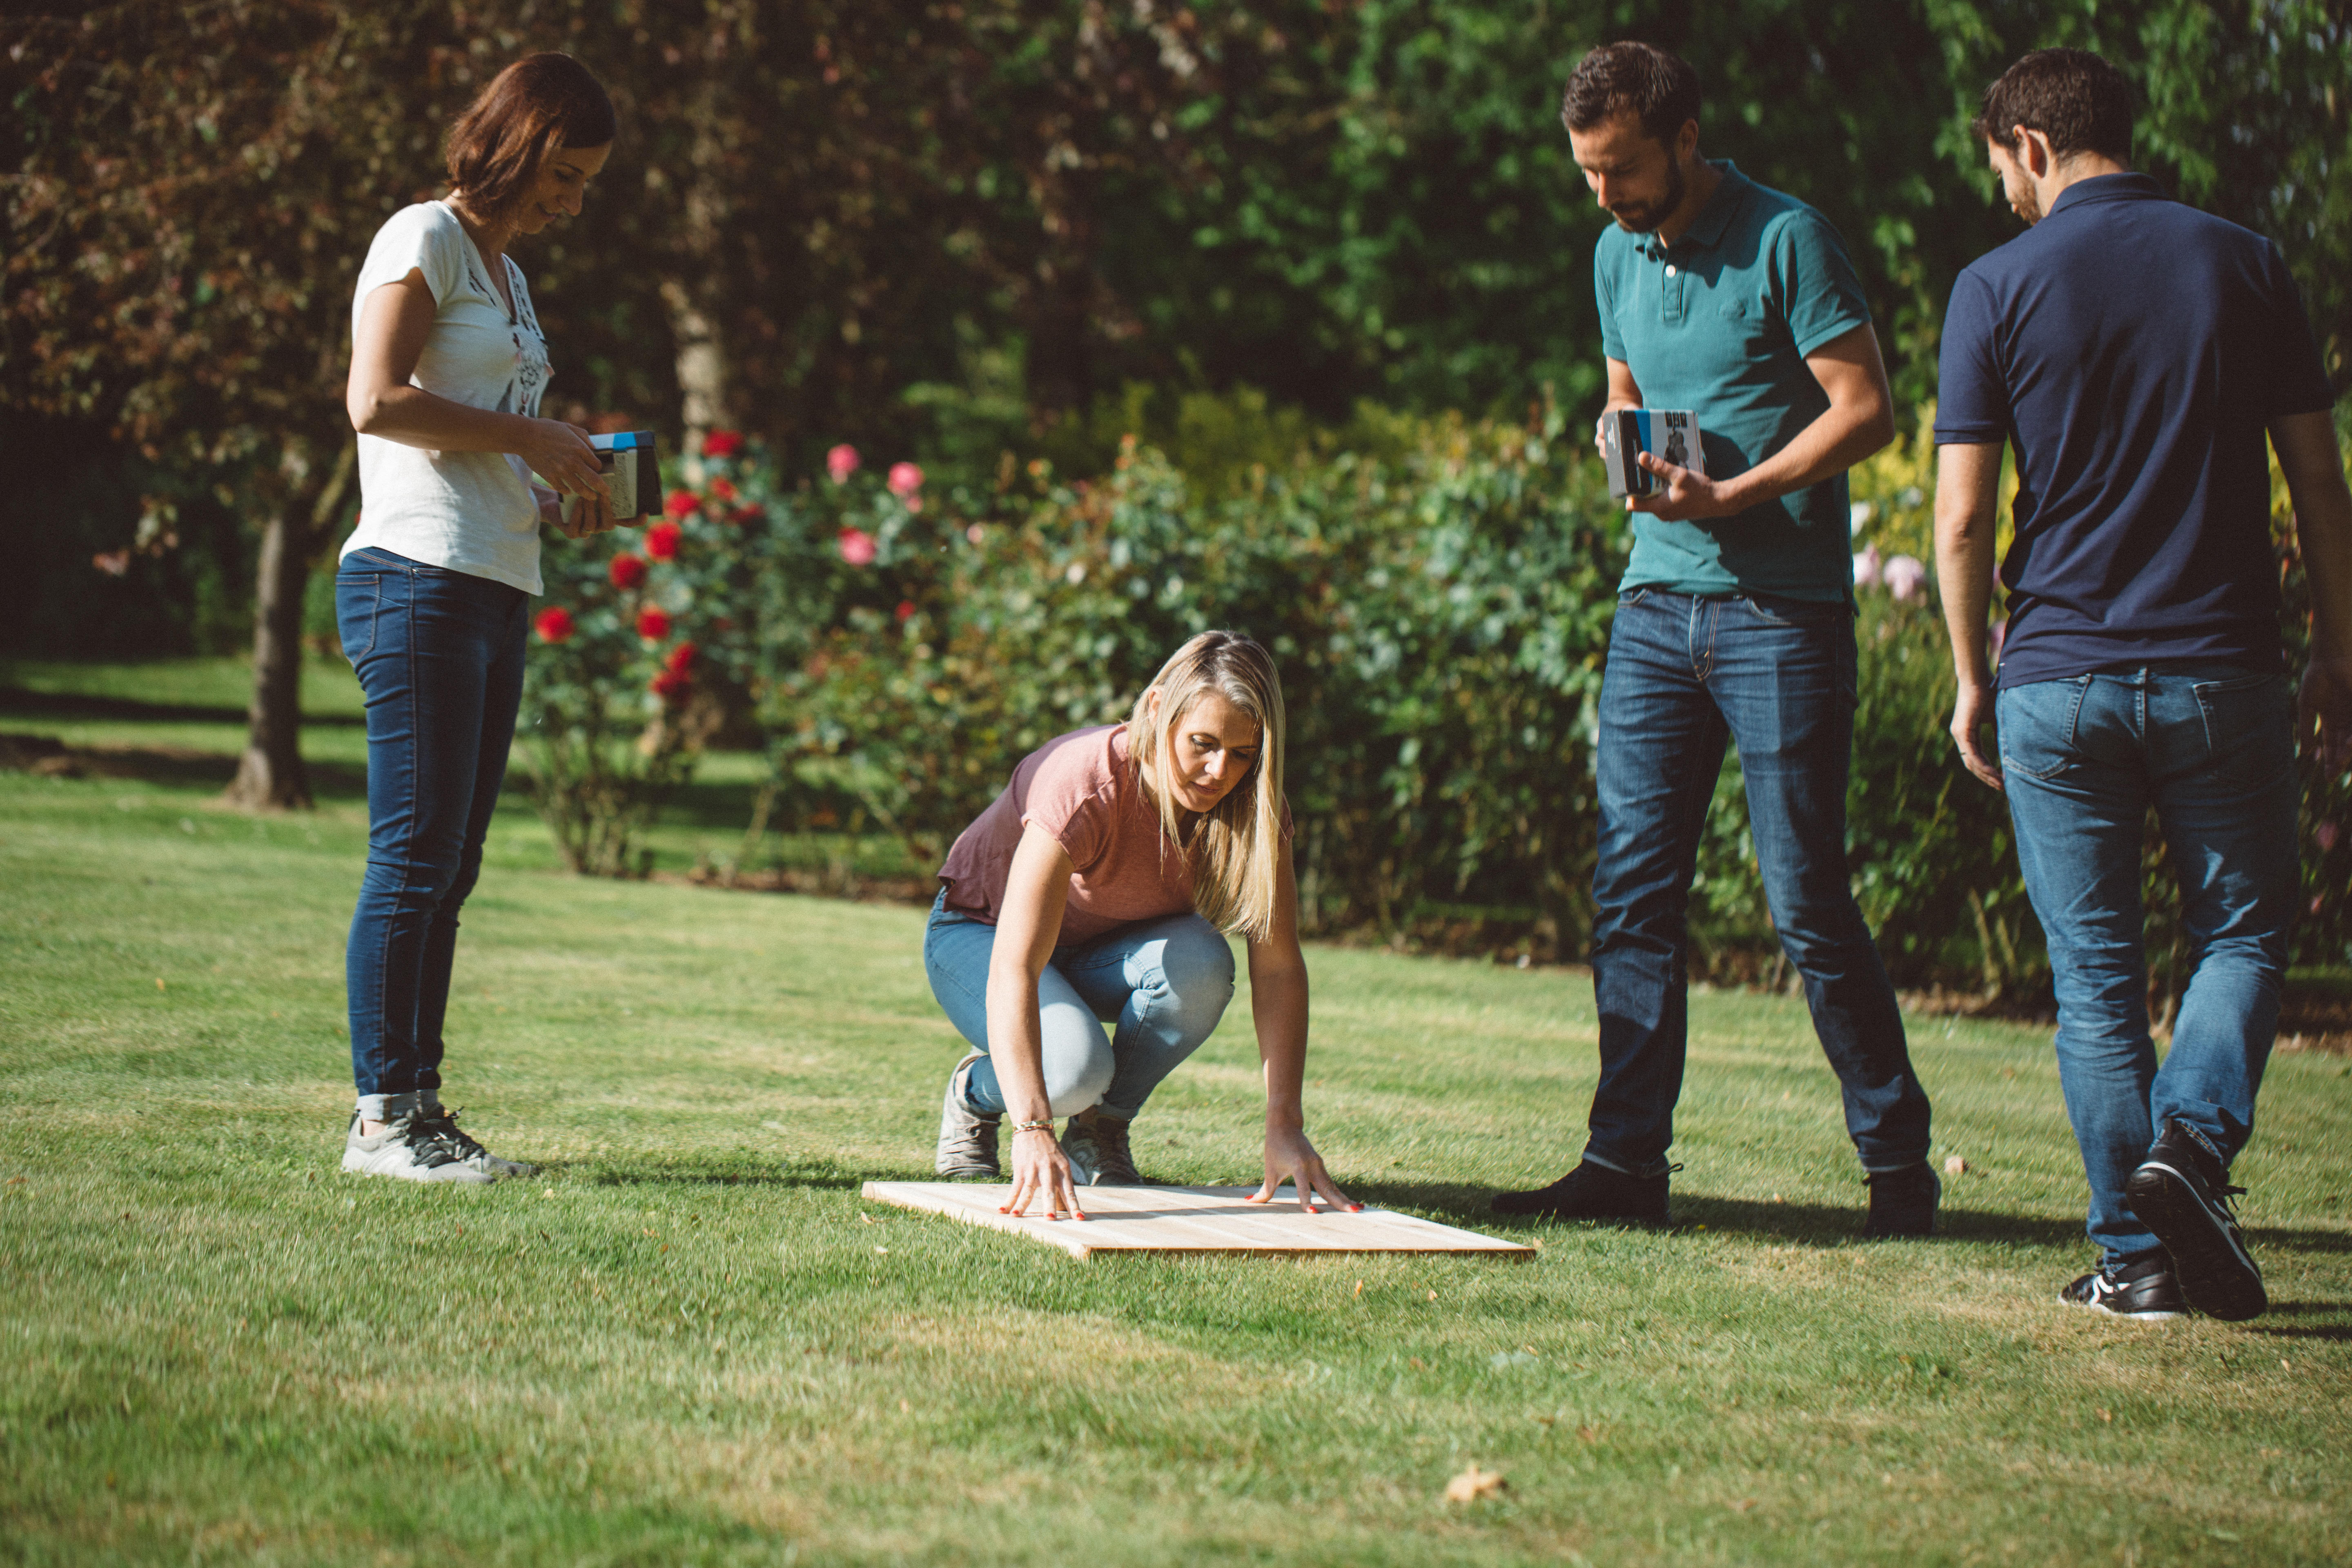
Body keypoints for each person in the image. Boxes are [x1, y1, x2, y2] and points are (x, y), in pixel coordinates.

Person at [1932, 49, 2352, 1321]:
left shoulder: (1994, 287)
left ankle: (2138, 1260)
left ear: (2035, 145)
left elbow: (1959, 521)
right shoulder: (2248, 263)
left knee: (2097, 983)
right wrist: (2341, 646)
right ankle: (2195, 1151)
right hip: (2223, 666)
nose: (2002, 191)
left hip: (2058, 678)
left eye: (2001, 165)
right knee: (2242, 930)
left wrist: (1969, 678)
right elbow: (2320, 487)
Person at [1492, 42, 1939, 1234]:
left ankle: (1898, 1164)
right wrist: (1623, 442)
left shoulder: (1789, 238)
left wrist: (1735, 500)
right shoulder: (1611, 252)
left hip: (1780, 616)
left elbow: (1868, 411)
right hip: (1654, 606)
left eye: (1622, 170)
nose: (1605, 197)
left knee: (1804, 900)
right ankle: (1625, 1166)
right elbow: (1627, 386)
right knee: (1631, 892)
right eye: (1588, 173)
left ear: (1686, 139)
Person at [335, 53, 621, 1182]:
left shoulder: (507, 276)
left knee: (451, 866)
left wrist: (558, 493)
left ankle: (420, 1110)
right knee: (411, 856)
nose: (573, 201)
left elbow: (484, 437)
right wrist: (532, 441)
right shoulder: (424, 238)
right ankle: (384, 1122)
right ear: (518, 139)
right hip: (414, 577)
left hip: (495, 577)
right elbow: (376, 400)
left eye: (588, 184)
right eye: (567, 173)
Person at [925, 630, 1358, 1221]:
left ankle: (1099, 1129)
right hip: (981, 933)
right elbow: (1015, 966)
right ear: (1158, 710)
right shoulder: (1083, 781)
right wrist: (1031, 1125)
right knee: (1073, 1070)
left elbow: (1279, 968)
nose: (1219, 771)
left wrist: (1285, 1123)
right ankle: (977, 1092)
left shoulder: (1256, 813)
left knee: (1201, 965)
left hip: (1102, 951)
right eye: (1202, 743)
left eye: (1243, 753)